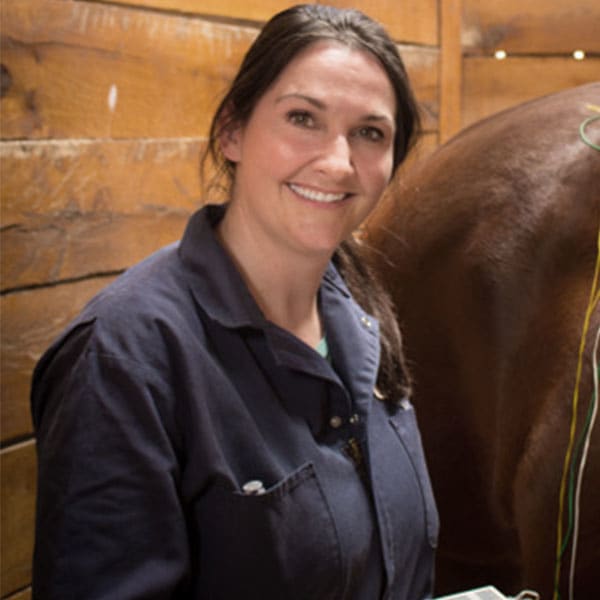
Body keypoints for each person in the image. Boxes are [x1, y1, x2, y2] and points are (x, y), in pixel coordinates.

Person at [31, 4, 439, 599]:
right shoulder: (124, 357)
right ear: (232, 131)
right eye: (303, 118)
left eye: (370, 133)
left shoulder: (362, 314)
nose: (337, 162)